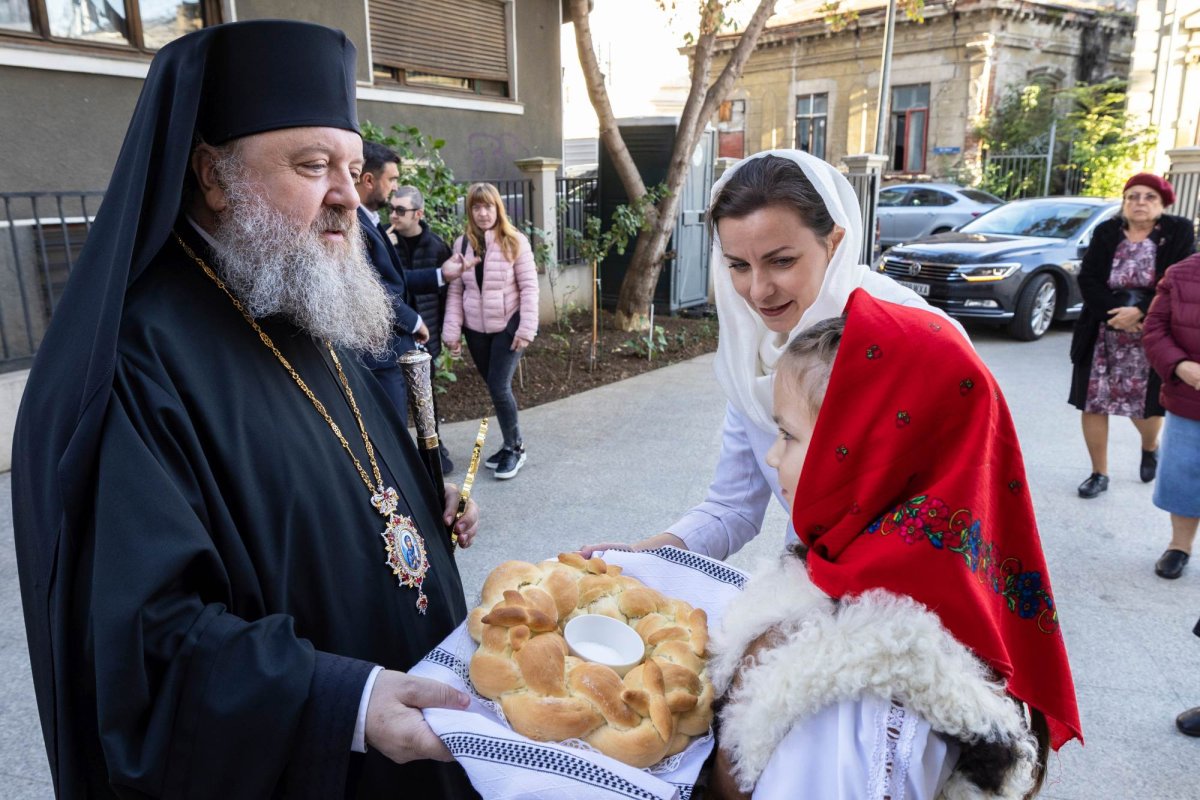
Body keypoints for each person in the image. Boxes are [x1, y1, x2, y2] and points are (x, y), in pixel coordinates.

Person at [11, 21, 482, 798]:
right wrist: (347, 703)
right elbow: (145, 644)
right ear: (212, 174)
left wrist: (423, 515)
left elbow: (345, 476)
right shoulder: (136, 362)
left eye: (353, 167)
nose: (345, 194)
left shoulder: (295, 294)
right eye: (312, 165)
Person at [709, 291, 1081, 799]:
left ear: (863, 453)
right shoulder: (877, 578)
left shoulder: (861, 695)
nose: (773, 457)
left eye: (788, 435)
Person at [582, 150, 964, 559]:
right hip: (805, 585)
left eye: (781, 261)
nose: (759, 291)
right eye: (738, 265)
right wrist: (642, 557)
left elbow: (958, 512)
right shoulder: (751, 351)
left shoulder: (918, 342)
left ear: (835, 243)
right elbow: (731, 507)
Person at [1068, 173, 1195, 499]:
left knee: (1147, 406)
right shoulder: (1107, 231)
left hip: (1153, 332)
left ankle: (1150, 447)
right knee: (1093, 403)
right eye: (1133, 196)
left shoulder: (1177, 231)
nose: (1140, 203)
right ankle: (1099, 472)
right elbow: (1090, 278)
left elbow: (1175, 277)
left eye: (1149, 197)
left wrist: (1139, 311)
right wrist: (1116, 314)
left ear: (1164, 204)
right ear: (1124, 202)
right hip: (1102, 329)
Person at [355, 142, 462, 438]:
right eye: (392, 179)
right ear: (369, 180)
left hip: (394, 349)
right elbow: (374, 290)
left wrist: (442, 274)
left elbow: (396, 280)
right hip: (381, 352)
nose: (394, 188)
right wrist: (413, 321)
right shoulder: (355, 223)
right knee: (393, 434)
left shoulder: (369, 221)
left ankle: (429, 480)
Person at [442, 182, 539, 480]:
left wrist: (526, 328)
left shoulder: (515, 241)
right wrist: (452, 332)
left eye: (489, 206)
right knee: (495, 390)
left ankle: (516, 447)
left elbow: (529, 288)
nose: (483, 213)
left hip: (508, 326)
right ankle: (508, 445)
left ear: (498, 208)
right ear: (470, 211)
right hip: (476, 330)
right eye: (477, 207)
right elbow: (456, 291)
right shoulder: (461, 245)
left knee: (499, 387)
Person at [387, 185, 457, 472]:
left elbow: (447, 295)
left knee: (427, 395)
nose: (393, 215)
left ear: (419, 214)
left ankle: (434, 450)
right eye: (391, 208)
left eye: (400, 210)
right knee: (398, 396)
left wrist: (445, 332)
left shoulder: (437, 246)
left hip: (428, 334)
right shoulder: (384, 242)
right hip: (396, 334)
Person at [1142, 252, 1200, 579]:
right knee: (1184, 475)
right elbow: (1154, 329)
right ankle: (1180, 546)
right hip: (1190, 397)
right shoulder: (1180, 274)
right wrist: (1179, 365)